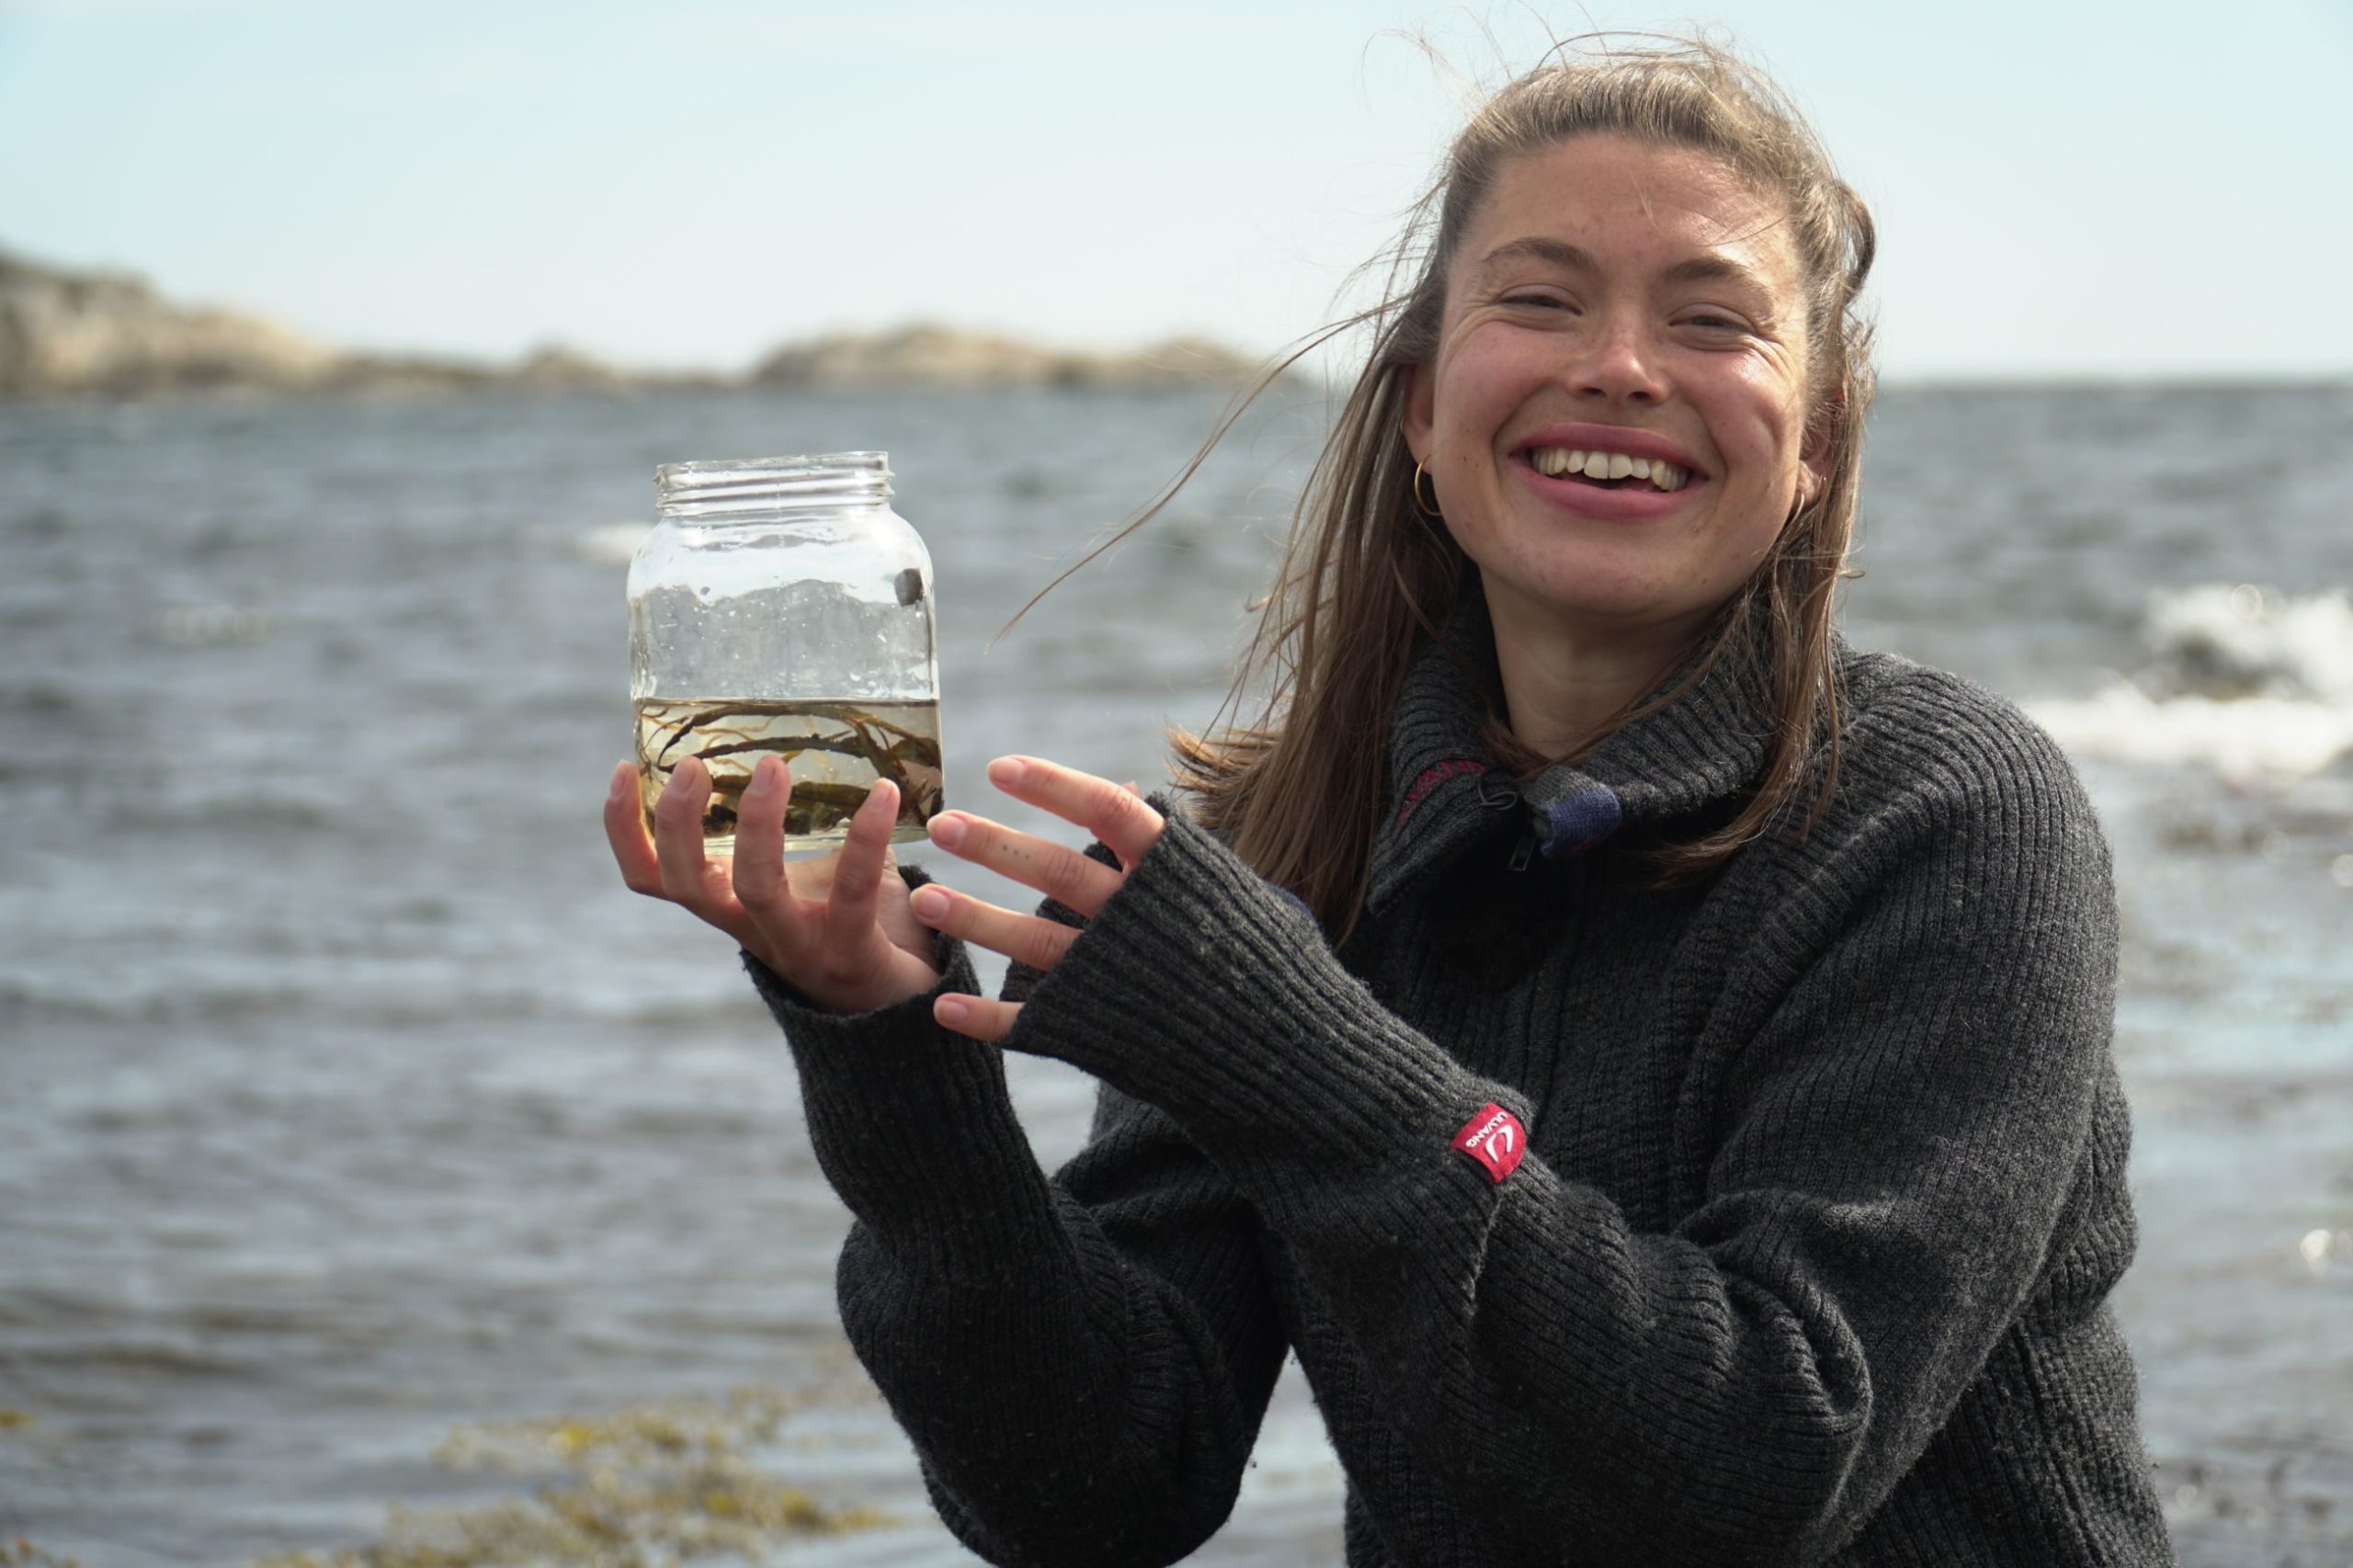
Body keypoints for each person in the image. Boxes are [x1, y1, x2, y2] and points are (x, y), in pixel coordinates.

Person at [603, 36, 2176, 1567]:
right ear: (1421, 403)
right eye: (1539, 298)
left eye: (1712, 319)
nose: (1619, 366)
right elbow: (1099, 1488)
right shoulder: (1277, 854)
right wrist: (883, 1035)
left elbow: (1759, 1462)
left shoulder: (1954, 824)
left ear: (1819, 439)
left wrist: (1290, 1043)